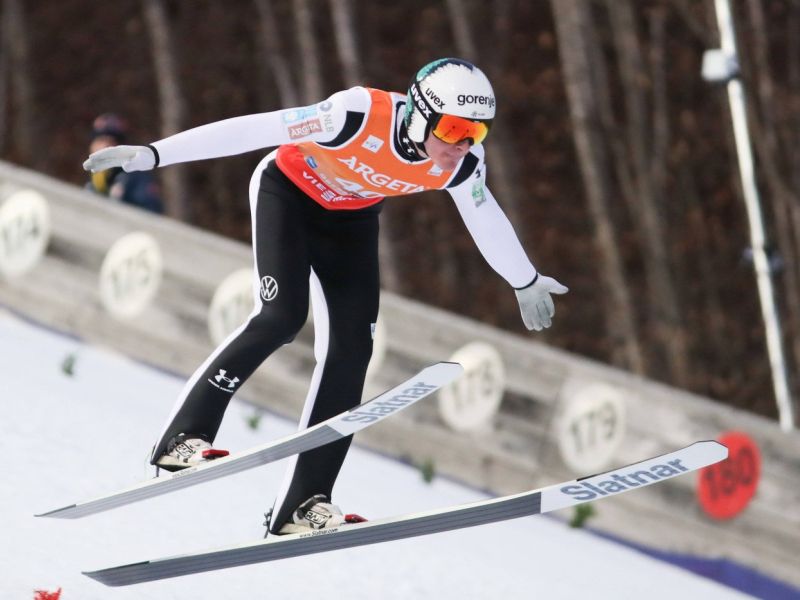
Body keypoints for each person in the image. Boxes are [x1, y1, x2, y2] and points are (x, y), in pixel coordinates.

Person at [83, 58, 568, 535]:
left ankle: (304, 501)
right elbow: (254, 130)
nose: (463, 144)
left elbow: (485, 219)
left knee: (353, 350)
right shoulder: (354, 115)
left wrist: (524, 281)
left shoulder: (463, 166)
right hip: (287, 195)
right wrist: (153, 155)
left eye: (477, 133)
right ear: (421, 112)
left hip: (351, 222)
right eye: (455, 128)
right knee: (281, 317)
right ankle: (182, 437)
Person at [86, 113, 164, 214]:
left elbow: (151, 212)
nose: (105, 146)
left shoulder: (135, 174)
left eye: (112, 141)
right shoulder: (94, 174)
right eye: (101, 140)